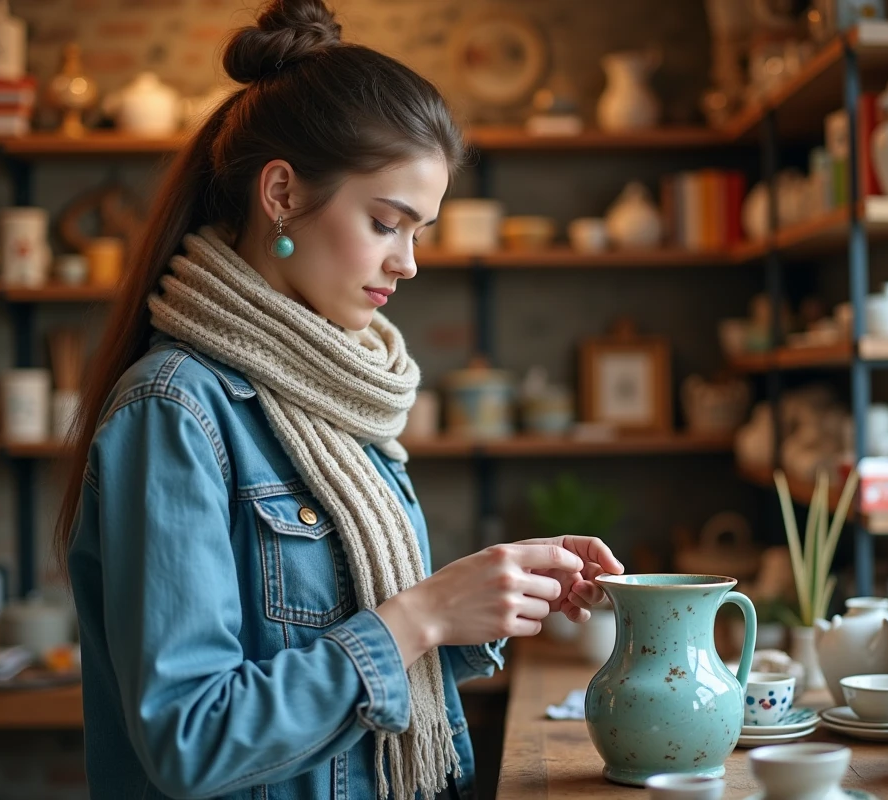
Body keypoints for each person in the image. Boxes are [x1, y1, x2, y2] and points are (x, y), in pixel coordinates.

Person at [54, 2, 625, 798]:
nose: (410, 262)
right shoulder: (174, 411)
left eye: (420, 231)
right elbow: (192, 739)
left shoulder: (339, 395)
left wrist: (485, 601)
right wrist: (421, 615)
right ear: (282, 193)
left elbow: (357, 680)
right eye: (389, 223)